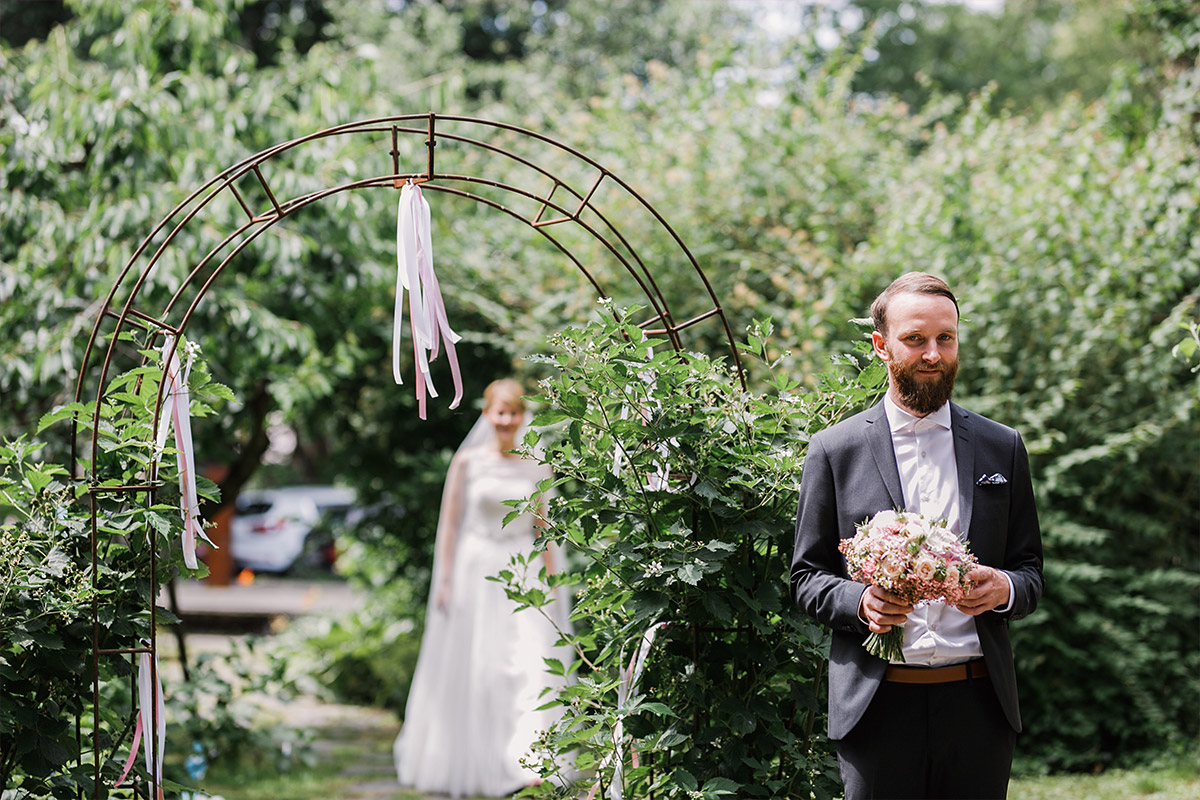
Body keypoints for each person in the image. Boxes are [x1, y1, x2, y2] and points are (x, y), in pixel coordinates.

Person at [790, 272, 1044, 799]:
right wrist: (861, 602)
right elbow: (806, 577)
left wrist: (1006, 588)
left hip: (978, 706)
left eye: (945, 338)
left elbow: (1030, 570)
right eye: (915, 339)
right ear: (882, 346)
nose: (934, 354)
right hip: (877, 708)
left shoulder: (1003, 447)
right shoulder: (835, 450)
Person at [394, 379, 571, 798]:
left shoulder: (538, 465)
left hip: (523, 571)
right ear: (487, 414)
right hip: (477, 573)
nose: (507, 420)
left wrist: (553, 583)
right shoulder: (468, 463)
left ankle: (527, 758)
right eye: (500, 412)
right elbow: (450, 526)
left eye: (514, 413)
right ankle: (481, 757)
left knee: (530, 662)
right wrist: (447, 581)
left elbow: (544, 528)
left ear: (523, 417)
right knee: (482, 667)